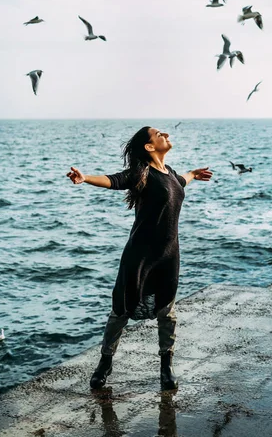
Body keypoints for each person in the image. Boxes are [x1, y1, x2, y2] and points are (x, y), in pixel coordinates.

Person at [67, 126, 212, 391]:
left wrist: (193, 173)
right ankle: (105, 362)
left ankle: (166, 367)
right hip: (140, 255)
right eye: (158, 133)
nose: (165, 133)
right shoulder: (141, 174)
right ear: (149, 147)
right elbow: (115, 180)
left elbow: (182, 181)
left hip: (168, 256)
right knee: (121, 310)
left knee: (167, 312)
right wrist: (85, 178)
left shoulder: (172, 176)